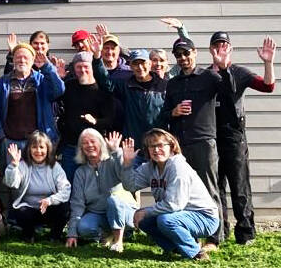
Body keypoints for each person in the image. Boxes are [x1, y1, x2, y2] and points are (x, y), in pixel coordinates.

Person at [159, 37, 235, 251]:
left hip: (204, 142)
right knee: (182, 192)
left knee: (210, 190)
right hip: (180, 145)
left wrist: (224, 66)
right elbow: (164, 113)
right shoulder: (172, 83)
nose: (183, 58)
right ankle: (189, 235)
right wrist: (172, 112)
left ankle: (213, 239)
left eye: (186, 53)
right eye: (179, 55)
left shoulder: (210, 77)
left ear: (194, 52)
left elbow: (230, 92)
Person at [209, 33, 275, 244]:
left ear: (231, 48)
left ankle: (246, 232)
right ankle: (220, 230)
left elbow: (268, 86)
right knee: (216, 187)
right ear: (211, 49)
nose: (221, 48)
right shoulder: (205, 75)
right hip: (211, 135)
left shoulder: (239, 72)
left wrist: (268, 63)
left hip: (234, 136)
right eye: (217, 45)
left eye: (224, 44)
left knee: (239, 187)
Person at [120, 129, 219, 261]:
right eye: (152, 146)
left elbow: (174, 205)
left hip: (204, 217)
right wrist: (127, 164)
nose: (156, 150)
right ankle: (176, 248)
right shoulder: (149, 168)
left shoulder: (178, 167)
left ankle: (197, 253)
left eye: (160, 145)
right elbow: (130, 186)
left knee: (165, 220)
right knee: (145, 221)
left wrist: (145, 211)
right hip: (180, 214)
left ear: (172, 147)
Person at [0, 42, 64, 164]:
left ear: (32, 60)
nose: (22, 60)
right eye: (18, 57)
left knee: (38, 179)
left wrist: (47, 67)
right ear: (13, 59)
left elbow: (59, 90)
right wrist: (1, 137)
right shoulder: (3, 83)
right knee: (13, 180)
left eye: (26, 57)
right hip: (11, 143)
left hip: (37, 143)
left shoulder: (41, 80)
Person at [93, 44, 167, 166]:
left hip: (158, 147)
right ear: (130, 66)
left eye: (143, 63)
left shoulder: (164, 86)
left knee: (158, 183)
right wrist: (97, 58)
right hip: (133, 149)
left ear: (149, 64)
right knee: (132, 183)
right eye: (135, 64)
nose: (140, 67)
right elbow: (105, 82)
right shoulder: (126, 86)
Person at [65, 130, 136, 253]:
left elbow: (126, 179)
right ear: (81, 148)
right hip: (98, 214)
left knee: (113, 200)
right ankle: (109, 234)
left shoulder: (112, 160)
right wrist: (72, 234)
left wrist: (116, 151)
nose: (89, 145)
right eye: (85, 143)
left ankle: (119, 241)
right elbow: (77, 203)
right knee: (84, 228)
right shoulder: (80, 172)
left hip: (122, 210)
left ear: (101, 143)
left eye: (93, 141)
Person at [3, 131, 71, 243]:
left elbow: (66, 190)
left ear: (47, 149)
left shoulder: (55, 166)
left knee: (64, 207)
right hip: (30, 210)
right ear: (29, 149)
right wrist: (14, 165)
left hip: (49, 208)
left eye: (41, 147)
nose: (38, 151)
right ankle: (28, 234)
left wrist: (50, 200)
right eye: (34, 147)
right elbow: (11, 183)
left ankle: (55, 236)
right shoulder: (22, 165)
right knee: (21, 211)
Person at [56, 52, 114, 181]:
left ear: (92, 67)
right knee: (69, 184)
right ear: (74, 69)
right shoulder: (68, 86)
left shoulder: (101, 89)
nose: (82, 70)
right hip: (71, 146)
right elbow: (54, 99)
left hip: (94, 147)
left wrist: (96, 121)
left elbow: (111, 120)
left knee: (96, 185)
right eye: (79, 67)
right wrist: (59, 79)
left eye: (86, 66)